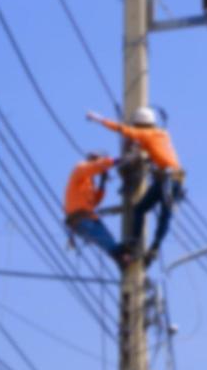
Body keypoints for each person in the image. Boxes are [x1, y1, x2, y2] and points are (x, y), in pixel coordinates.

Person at [86, 106, 184, 264]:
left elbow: (122, 129)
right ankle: (148, 247)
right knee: (148, 212)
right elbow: (156, 153)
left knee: (153, 212)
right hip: (168, 178)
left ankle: (142, 245)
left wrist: (99, 119)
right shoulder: (161, 134)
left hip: (168, 179)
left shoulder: (146, 134)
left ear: (140, 125)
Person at [63, 152, 123, 263]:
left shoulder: (88, 182)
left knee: (111, 242)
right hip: (81, 219)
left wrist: (102, 183)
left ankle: (122, 258)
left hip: (88, 218)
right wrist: (116, 161)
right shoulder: (80, 169)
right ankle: (122, 258)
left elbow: (94, 202)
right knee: (111, 245)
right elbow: (98, 166)